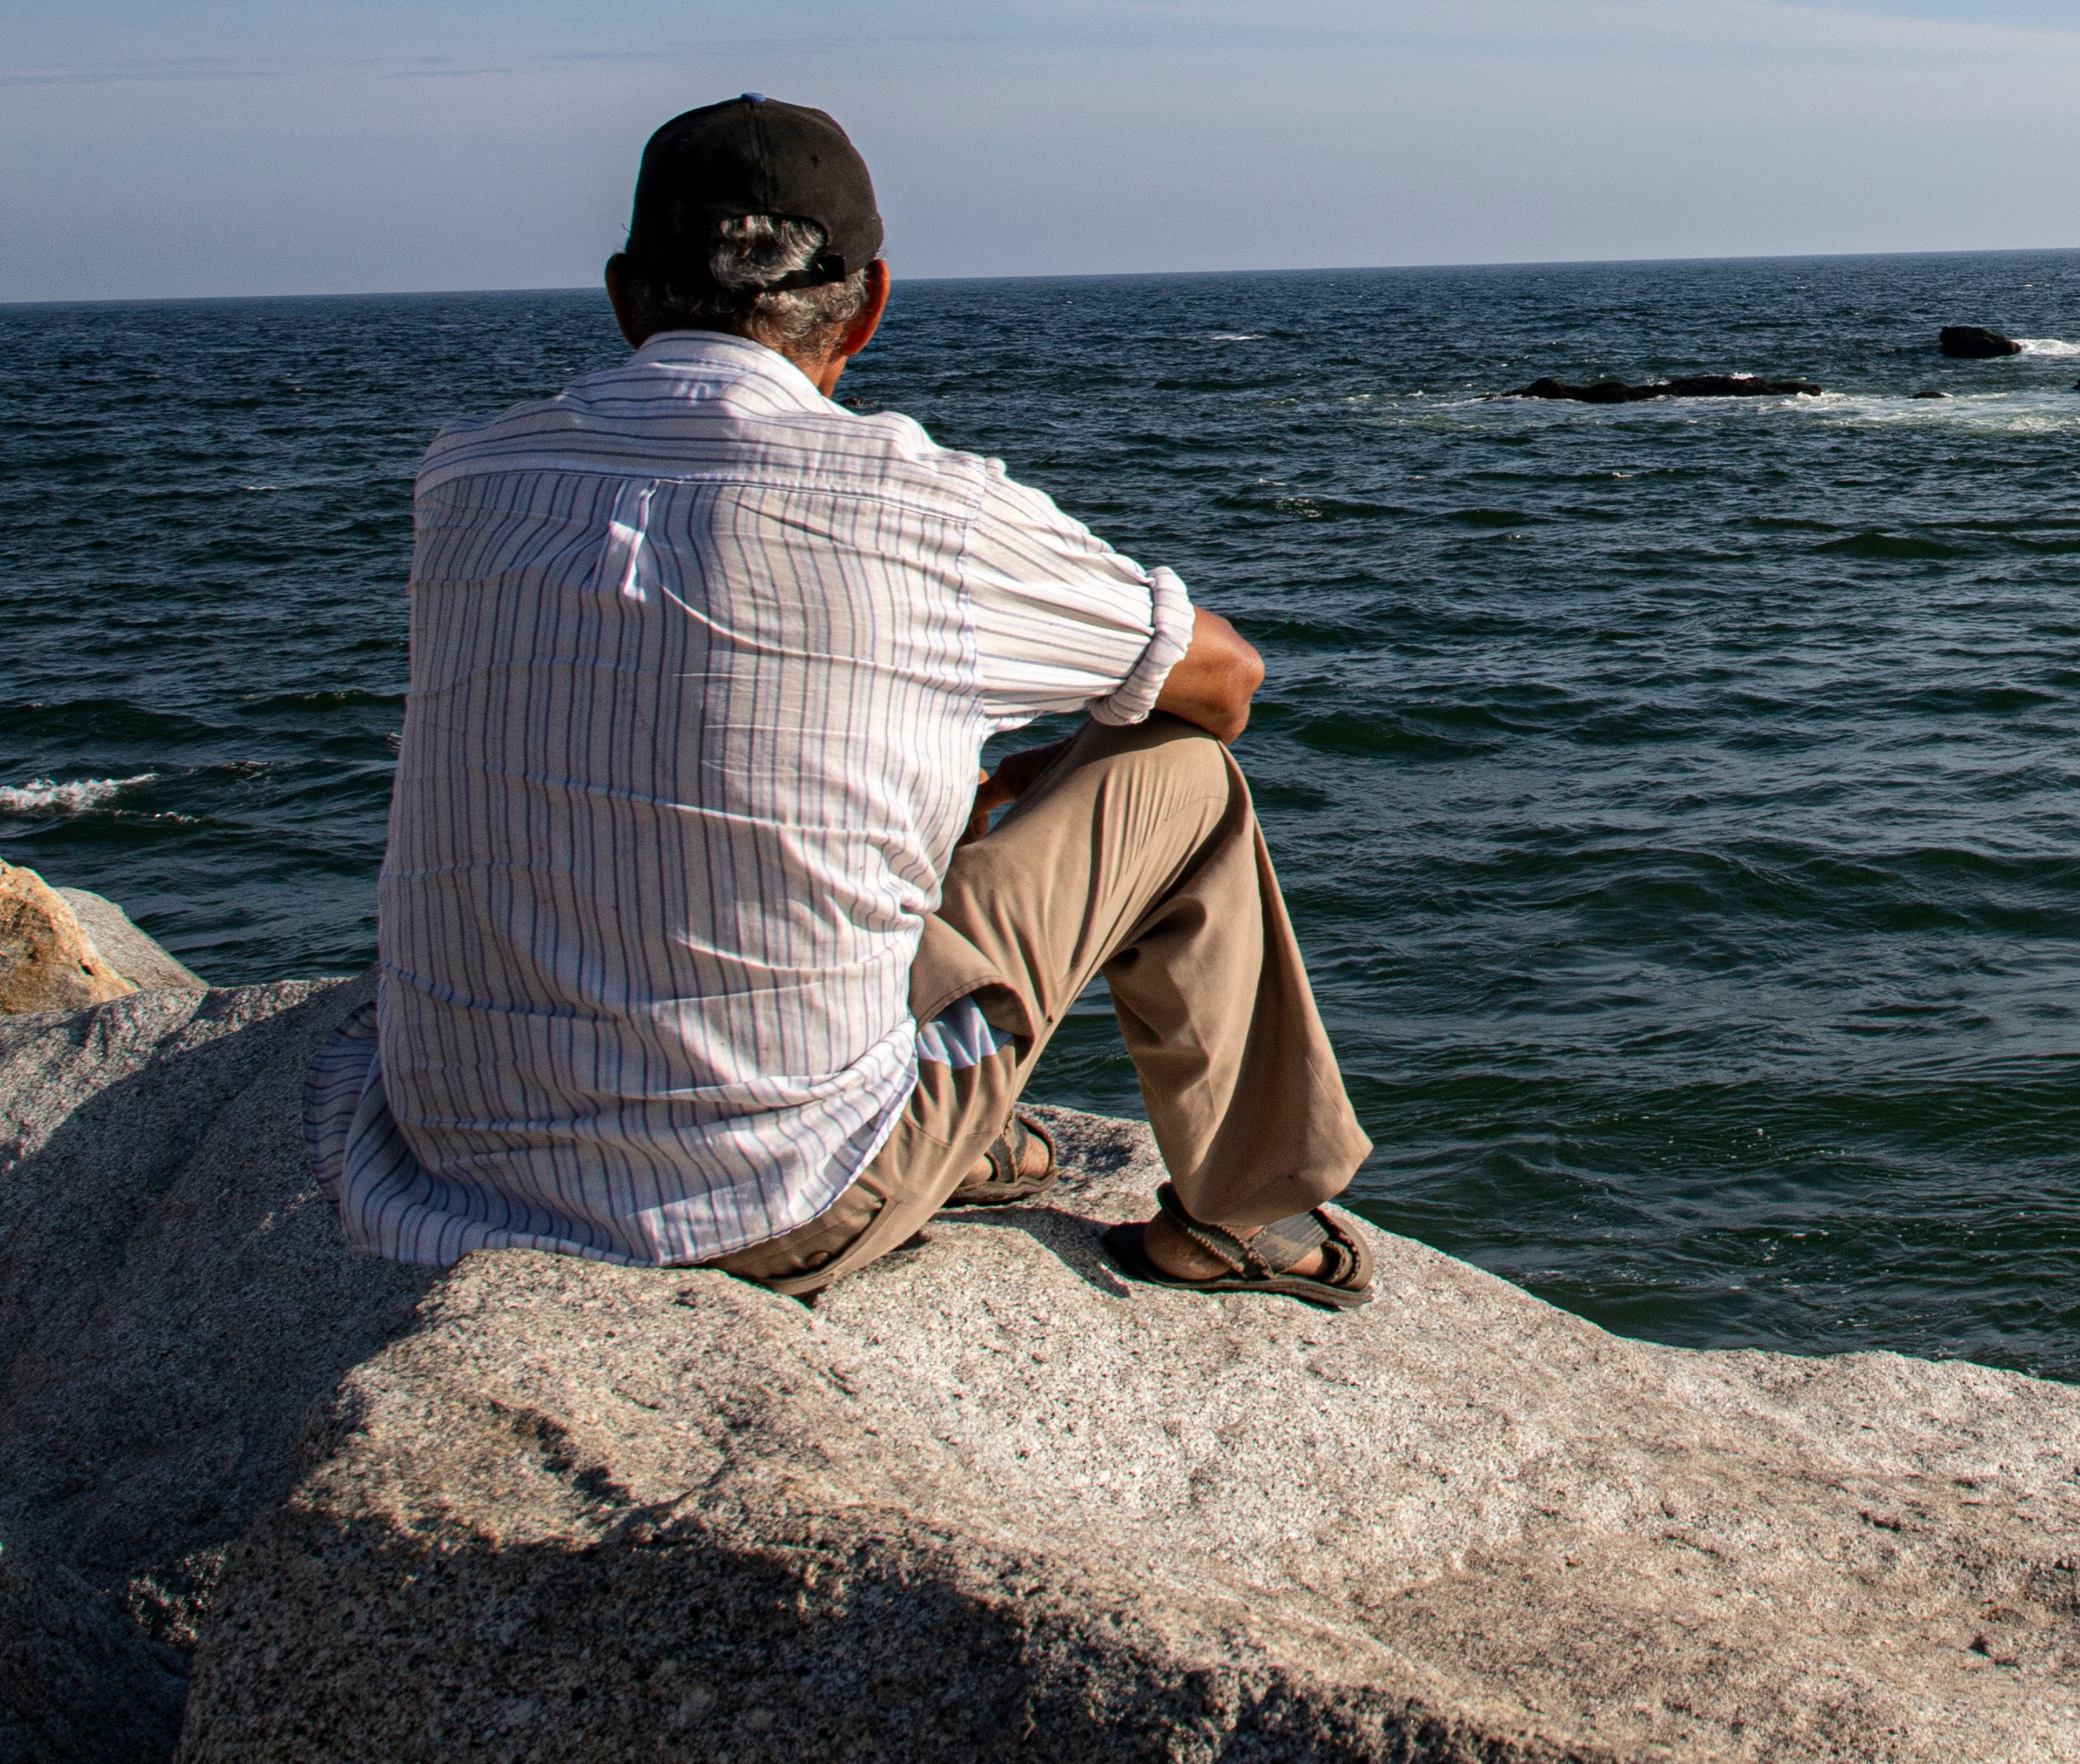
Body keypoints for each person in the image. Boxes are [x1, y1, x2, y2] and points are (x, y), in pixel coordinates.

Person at [306, 95, 1373, 1306]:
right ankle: (1241, 1212)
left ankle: (958, 1127)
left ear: (621, 295)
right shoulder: (923, 509)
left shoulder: (467, 477)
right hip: (774, 1202)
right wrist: (1053, 761)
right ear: (866, 306)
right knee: (1181, 774)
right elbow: (1226, 683)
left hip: (443, 1169)